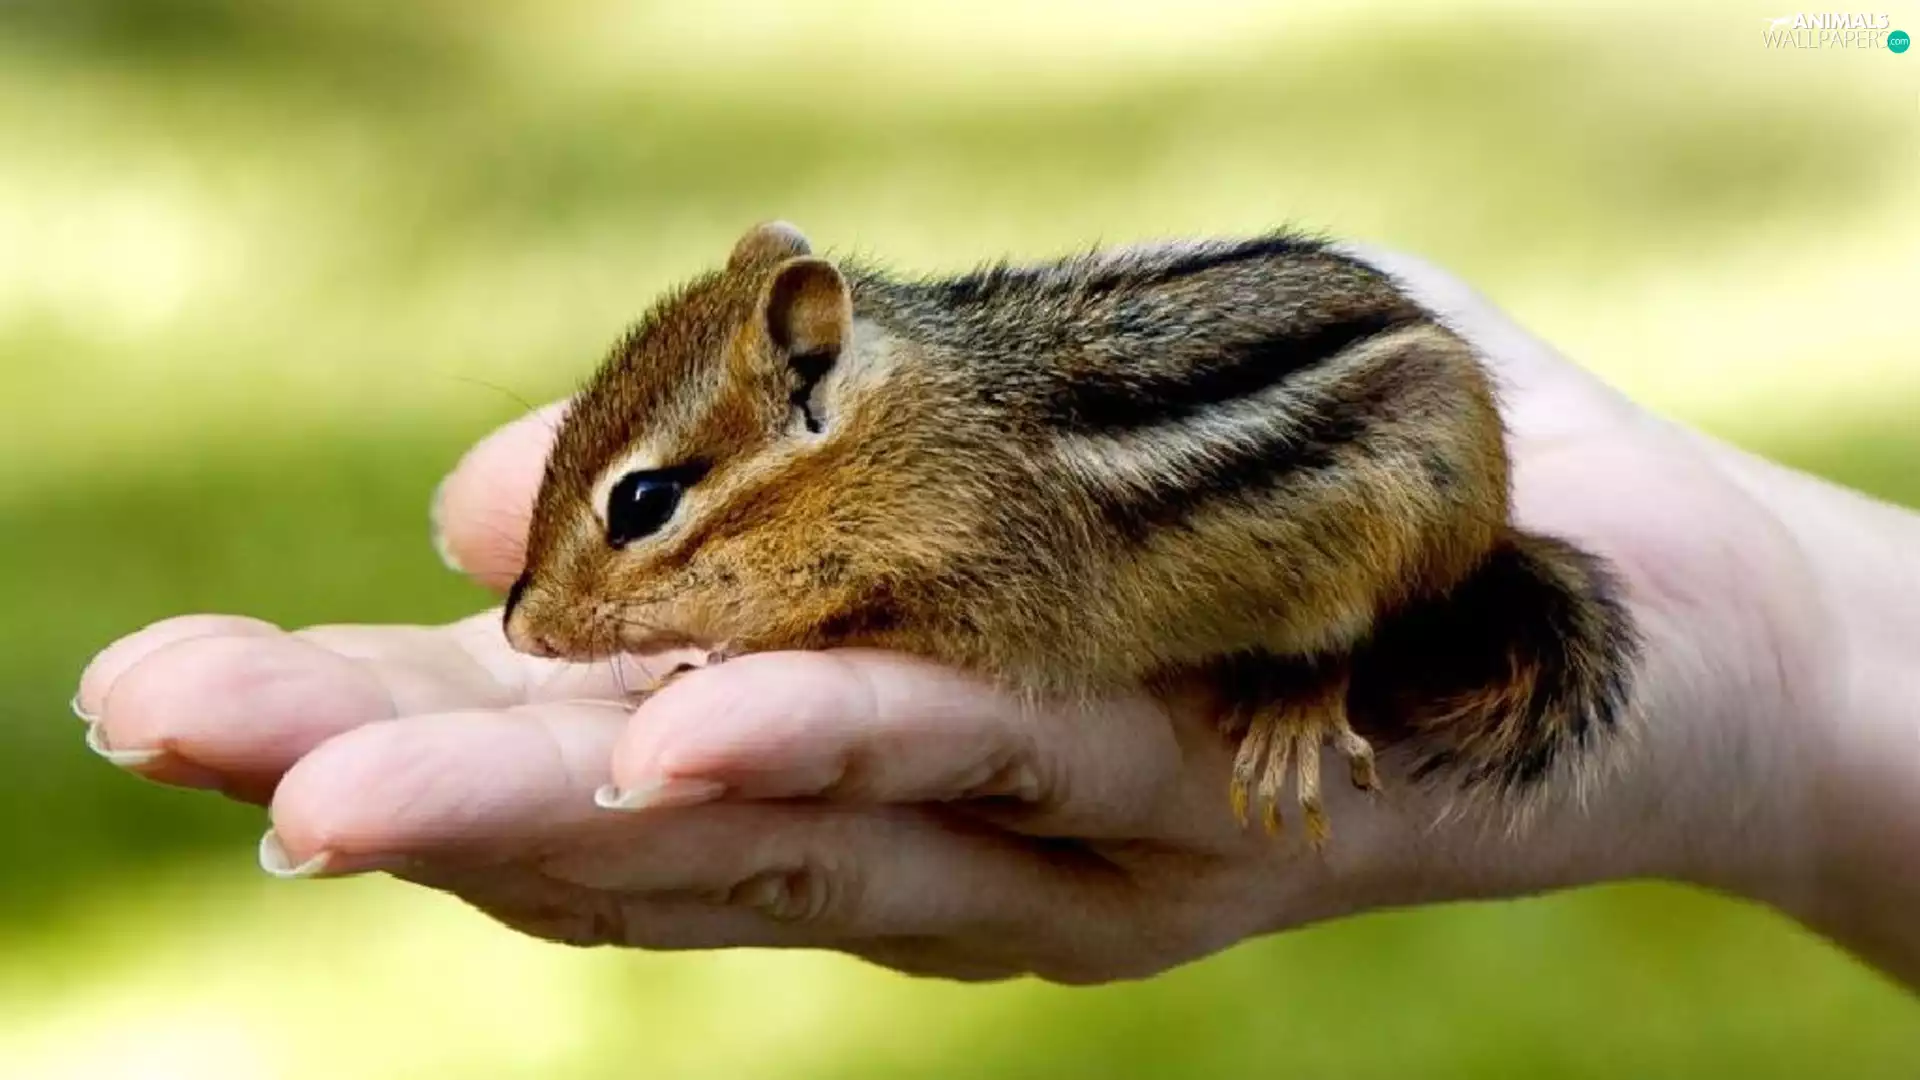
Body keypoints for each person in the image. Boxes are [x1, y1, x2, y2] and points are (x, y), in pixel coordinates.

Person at [72, 246, 1920, 988]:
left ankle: (1335, 663)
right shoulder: (881, 455)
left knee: (1384, 492)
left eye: (646, 520)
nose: (571, 611)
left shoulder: (963, 493)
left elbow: (1026, 632)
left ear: (816, 382)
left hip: (1359, 454)